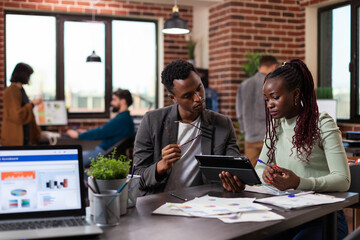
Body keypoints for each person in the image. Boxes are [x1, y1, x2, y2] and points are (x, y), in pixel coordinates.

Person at [255, 59, 350, 239]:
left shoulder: (322, 123)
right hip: (286, 215)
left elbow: (343, 180)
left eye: (275, 97)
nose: (269, 105)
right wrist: (266, 174)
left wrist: (298, 182)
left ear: (296, 94)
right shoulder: (275, 126)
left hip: (324, 218)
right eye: (267, 99)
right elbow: (259, 167)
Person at [133, 59, 244, 195]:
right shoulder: (152, 121)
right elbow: (137, 178)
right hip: (160, 202)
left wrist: (234, 180)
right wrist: (161, 166)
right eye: (188, 96)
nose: (198, 98)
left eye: (199, 88)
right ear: (173, 98)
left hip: (203, 203)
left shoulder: (222, 124)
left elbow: (236, 170)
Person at [66, 89, 135, 167]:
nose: (111, 103)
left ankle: (84, 179)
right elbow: (105, 130)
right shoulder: (126, 118)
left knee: (72, 159)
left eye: (114, 100)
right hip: (105, 152)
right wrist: (86, 131)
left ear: (123, 101)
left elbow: (100, 132)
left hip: (104, 153)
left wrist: (78, 135)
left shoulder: (122, 119)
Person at [236, 55, 278, 166]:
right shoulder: (273, 84)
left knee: (252, 175)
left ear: (259, 68)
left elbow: (239, 112)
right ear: (274, 67)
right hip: (269, 137)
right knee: (270, 174)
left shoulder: (244, 85)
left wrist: (245, 130)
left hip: (250, 136)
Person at [1, 63, 43, 146]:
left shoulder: (20, 90)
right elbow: (17, 115)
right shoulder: (11, 91)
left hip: (24, 138)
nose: (29, 78)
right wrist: (32, 104)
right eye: (28, 75)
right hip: (14, 138)